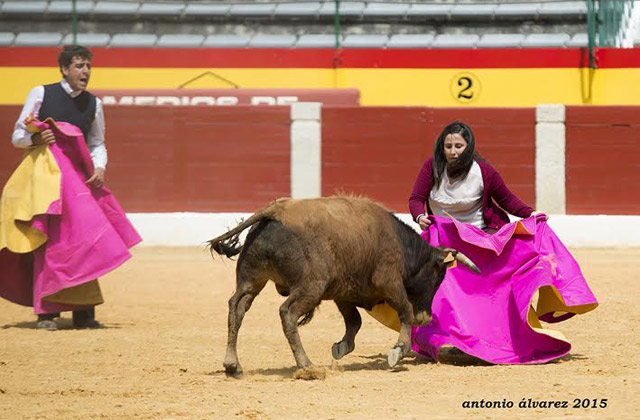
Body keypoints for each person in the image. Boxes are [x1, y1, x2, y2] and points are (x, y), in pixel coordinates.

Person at [403, 121, 598, 364]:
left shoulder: (483, 171)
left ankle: (481, 339)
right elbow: (416, 198)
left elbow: (507, 200)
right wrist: (420, 216)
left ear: (469, 146)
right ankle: (445, 338)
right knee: (436, 286)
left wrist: (530, 214)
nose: (453, 151)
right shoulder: (431, 168)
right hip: (442, 240)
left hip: (479, 239)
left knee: (491, 290)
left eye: (459, 146)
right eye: (448, 146)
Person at [1, 45, 140, 330]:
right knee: (51, 239)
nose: (85, 71)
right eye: (79, 66)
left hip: (77, 180)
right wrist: (37, 140)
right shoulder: (41, 93)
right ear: (64, 69)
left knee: (84, 238)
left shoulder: (94, 104)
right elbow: (17, 135)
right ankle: (47, 312)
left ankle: (83, 309)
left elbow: (97, 143)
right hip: (45, 178)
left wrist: (100, 167)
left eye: (88, 66)